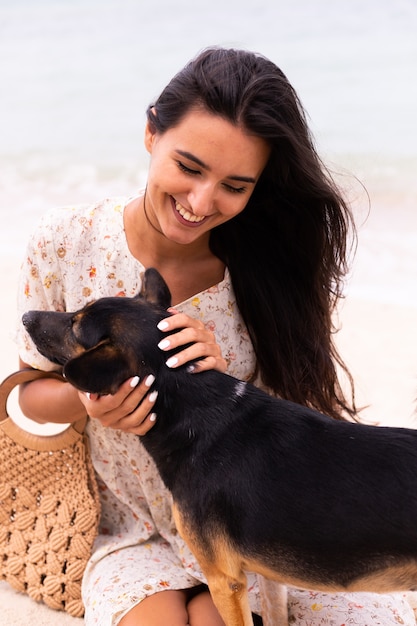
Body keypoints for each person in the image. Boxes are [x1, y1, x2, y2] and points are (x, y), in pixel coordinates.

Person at [15, 47, 415, 626]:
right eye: (190, 166)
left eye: (235, 184)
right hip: (134, 530)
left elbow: (303, 430)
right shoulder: (64, 243)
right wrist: (87, 403)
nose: (201, 202)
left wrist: (228, 379)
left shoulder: (269, 274)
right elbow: (21, 393)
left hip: (261, 521)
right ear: (151, 132)